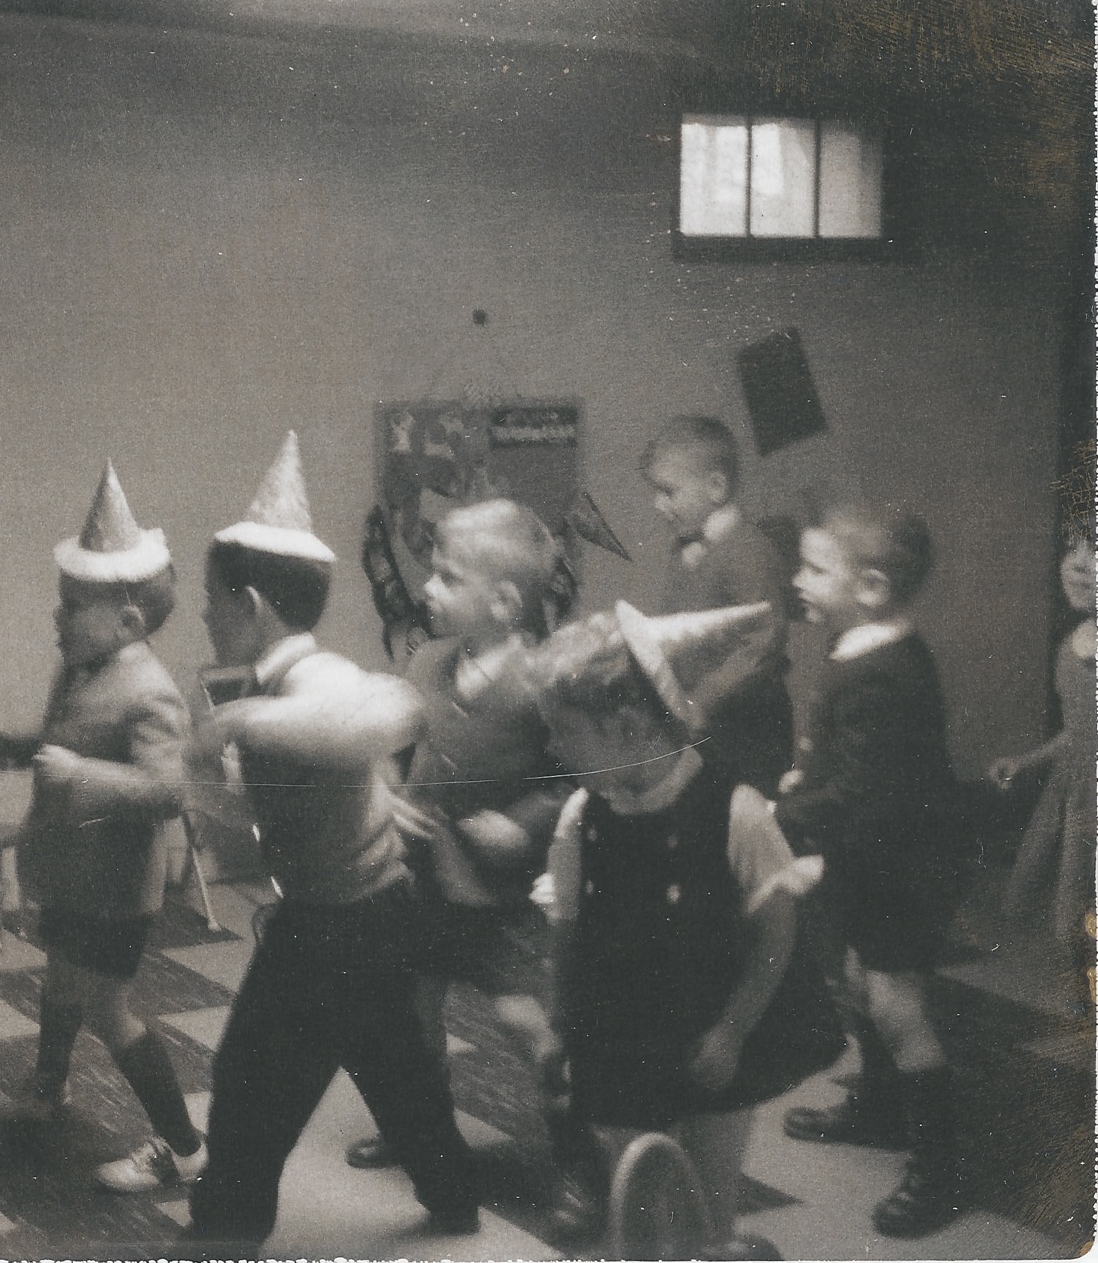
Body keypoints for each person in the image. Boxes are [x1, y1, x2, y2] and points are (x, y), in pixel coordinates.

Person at [180, 432, 480, 1256]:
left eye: (214, 600)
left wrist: (237, 722)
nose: (206, 615)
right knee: (398, 1075)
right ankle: (455, 1202)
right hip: (359, 917)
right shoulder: (280, 685)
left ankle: (220, 1243)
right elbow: (271, 797)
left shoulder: (313, 681)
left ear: (252, 605)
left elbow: (387, 712)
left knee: (247, 1095)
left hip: (341, 928)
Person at [533, 601, 839, 1260]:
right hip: (620, 1032)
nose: (551, 748)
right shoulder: (582, 818)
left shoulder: (738, 813)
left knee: (707, 1191)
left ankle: (717, 1248)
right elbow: (567, 928)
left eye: (563, 731)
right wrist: (560, 1024)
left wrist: (732, 1030)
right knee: (636, 1190)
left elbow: (775, 934)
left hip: (713, 1030)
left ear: (628, 725)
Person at [0, 462, 203, 1193]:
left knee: (107, 1006)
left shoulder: (151, 692)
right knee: (60, 983)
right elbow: (55, 738)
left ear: (128, 622)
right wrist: (6, 742)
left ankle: (184, 1147)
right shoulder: (77, 669)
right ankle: (50, 1077)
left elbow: (168, 789)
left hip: (114, 888)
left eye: (72, 605)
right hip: (69, 870)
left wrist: (81, 777)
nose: (57, 616)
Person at [340, 499, 573, 1174]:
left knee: (528, 1024)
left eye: (446, 577)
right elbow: (389, 747)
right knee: (410, 1021)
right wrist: (385, 792)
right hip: (416, 884)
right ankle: (421, 1129)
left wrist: (521, 824)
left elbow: (571, 781)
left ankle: (577, 1157)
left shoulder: (544, 684)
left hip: (501, 899)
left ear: (502, 601)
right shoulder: (426, 663)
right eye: (430, 573)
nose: (428, 590)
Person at [773, 505, 965, 1238]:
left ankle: (937, 1169)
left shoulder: (884, 672)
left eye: (816, 569)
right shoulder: (860, 643)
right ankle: (882, 1109)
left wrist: (785, 813)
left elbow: (866, 791)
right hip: (871, 854)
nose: (799, 579)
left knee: (895, 1004)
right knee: (858, 980)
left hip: (906, 865)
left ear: (874, 587)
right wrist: (809, 777)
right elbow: (849, 761)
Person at [641, 416, 795, 795]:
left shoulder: (749, 550)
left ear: (715, 487)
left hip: (747, 725)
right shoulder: (683, 551)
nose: (657, 504)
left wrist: (700, 702)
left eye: (668, 491)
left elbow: (762, 643)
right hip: (700, 727)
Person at [988, 528, 1095, 998]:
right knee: (1058, 904)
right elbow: (1078, 733)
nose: (1077, 564)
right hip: (1073, 790)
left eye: (1094, 551)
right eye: (1072, 549)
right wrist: (1025, 761)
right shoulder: (1067, 648)